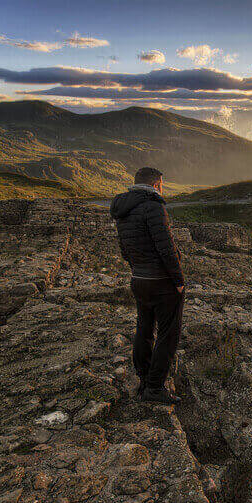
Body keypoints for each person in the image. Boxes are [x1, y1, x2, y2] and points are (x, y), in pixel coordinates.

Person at [110, 167, 185, 404]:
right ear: (155, 184)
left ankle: (144, 379)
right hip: (161, 281)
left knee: (144, 328)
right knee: (168, 333)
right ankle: (155, 387)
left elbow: (125, 248)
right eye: (162, 184)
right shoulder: (153, 206)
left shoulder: (123, 209)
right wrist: (179, 280)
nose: (162, 188)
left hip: (139, 279)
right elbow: (166, 247)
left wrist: (137, 268)